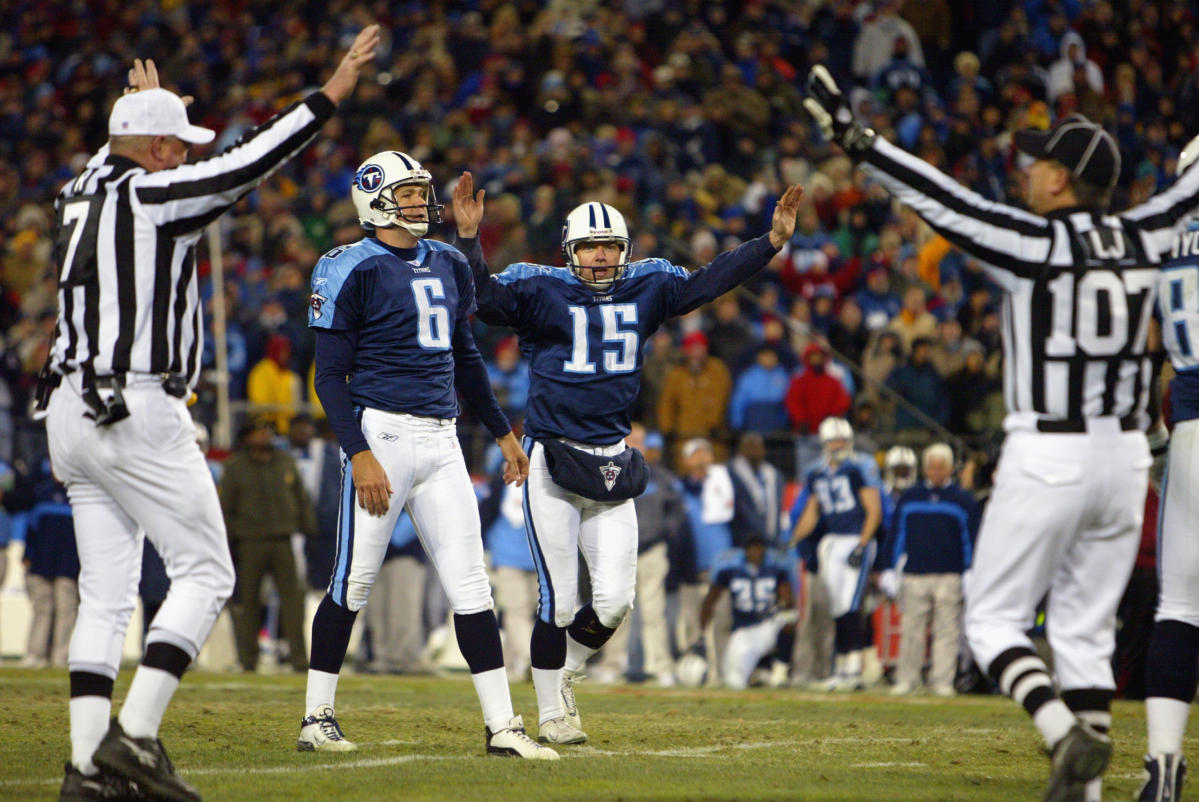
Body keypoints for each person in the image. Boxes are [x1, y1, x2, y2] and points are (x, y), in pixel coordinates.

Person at [805, 65, 1199, 801]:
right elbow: (1186, 191)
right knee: (1084, 636)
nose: (1027, 171)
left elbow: (940, 199)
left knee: (990, 621)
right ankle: (1081, 785)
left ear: (1061, 179)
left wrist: (859, 142)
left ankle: (1060, 733)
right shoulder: (1147, 233)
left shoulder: (1035, 241)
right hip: (1124, 461)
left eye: (1040, 161)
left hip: (1048, 448)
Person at [43, 29, 382, 802]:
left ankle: (86, 767)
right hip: (134, 403)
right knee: (208, 571)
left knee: (106, 593)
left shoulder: (80, 190)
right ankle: (134, 737)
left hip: (68, 408)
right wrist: (327, 95)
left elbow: (120, 151)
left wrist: (138, 109)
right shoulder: (150, 194)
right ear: (153, 146)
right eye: (176, 145)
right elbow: (247, 163)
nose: (184, 157)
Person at [452, 172, 803, 743]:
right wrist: (470, 239)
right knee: (560, 597)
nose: (598, 256)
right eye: (589, 247)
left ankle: (562, 671)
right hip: (552, 454)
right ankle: (552, 711)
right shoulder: (541, 288)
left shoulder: (649, 283)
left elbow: (709, 282)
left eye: (609, 246)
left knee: (614, 601)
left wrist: (770, 243)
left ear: (624, 251)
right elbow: (484, 299)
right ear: (570, 251)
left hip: (613, 455)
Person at [301, 149, 553, 760]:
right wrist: (358, 452)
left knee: (473, 587)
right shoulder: (348, 266)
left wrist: (501, 431)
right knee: (352, 581)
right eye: (410, 193)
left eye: (421, 192)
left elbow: (465, 356)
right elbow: (329, 377)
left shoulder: (445, 260)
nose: (421, 202)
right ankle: (316, 717)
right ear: (375, 198)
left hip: (442, 439)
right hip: (381, 434)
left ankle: (501, 727)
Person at [1138, 139, 1199, 801]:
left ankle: (1162, 767)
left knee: (1179, 607)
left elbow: (1142, 363)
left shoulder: (1161, 247)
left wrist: (1155, 447)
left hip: (1189, 434)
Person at [788, 417, 882, 691]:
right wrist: (794, 538)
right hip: (831, 542)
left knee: (851, 605)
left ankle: (852, 668)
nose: (839, 445)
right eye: (834, 441)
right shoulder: (816, 472)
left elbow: (873, 510)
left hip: (854, 539)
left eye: (842, 440)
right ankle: (842, 667)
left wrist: (862, 544)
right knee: (838, 605)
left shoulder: (860, 467)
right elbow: (811, 512)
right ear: (825, 443)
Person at [220, 418, 313, 674]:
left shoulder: (285, 461)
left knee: (293, 602)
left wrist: (309, 528)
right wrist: (228, 541)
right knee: (248, 603)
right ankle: (248, 660)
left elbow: (301, 497)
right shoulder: (235, 466)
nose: (264, 435)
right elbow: (226, 508)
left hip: (283, 539)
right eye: (258, 431)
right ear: (247, 435)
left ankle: (299, 659)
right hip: (250, 542)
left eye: (267, 430)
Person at [593, 425, 684, 686]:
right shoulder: (609, 471)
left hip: (651, 550)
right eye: (631, 439)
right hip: (619, 551)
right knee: (616, 611)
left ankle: (663, 667)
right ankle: (612, 665)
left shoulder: (660, 477)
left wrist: (663, 534)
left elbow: (676, 512)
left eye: (640, 439)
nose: (636, 443)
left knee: (655, 613)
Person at [888, 444, 978, 697]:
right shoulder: (910, 497)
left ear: (950, 468)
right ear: (925, 467)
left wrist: (970, 570)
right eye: (933, 465)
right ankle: (907, 678)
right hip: (915, 572)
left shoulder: (962, 499)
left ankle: (942, 681)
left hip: (949, 574)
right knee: (912, 630)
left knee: (947, 630)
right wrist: (890, 568)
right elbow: (897, 535)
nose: (937, 471)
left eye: (942, 466)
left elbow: (971, 538)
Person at [698, 535, 794, 690]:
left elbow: (788, 600)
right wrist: (702, 633)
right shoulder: (731, 571)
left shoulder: (775, 570)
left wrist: (785, 605)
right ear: (745, 552)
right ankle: (762, 672)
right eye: (753, 549)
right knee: (734, 680)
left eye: (760, 549)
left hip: (768, 625)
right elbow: (710, 600)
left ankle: (780, 672)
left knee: (789, 620)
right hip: (743, 632)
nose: (757, 553)